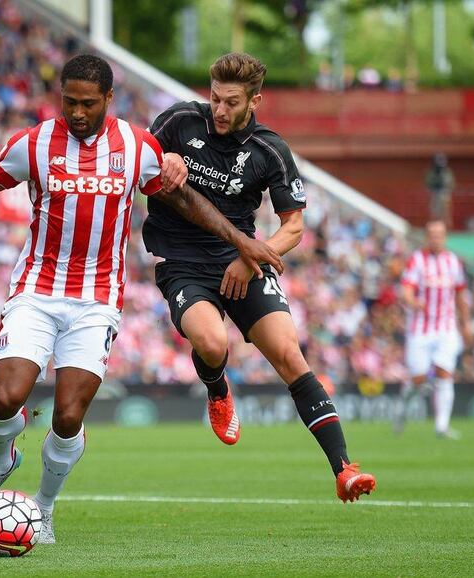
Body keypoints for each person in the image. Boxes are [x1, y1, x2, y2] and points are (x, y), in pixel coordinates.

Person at [0, 54, 283, 543]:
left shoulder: (135, 147)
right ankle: (2, 459)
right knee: (6, 399)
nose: (77, 113)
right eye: (69, 102)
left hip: (97, 299)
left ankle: (43, 508)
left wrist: (240, 241)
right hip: (37, 290)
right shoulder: (33, 144)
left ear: (108, 99)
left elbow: (186, 200)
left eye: (87, 103)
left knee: (67, 416)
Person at [143, 52, 376, 502]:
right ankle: (217, 389)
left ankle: (343, 468)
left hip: (242, 262)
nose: (220, 110)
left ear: (255, 101)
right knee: (212, 345)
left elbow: (294, 226)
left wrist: (250, 259)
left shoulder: (270, 149)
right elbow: (139, 162)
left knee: (290, 354)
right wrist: (165, 158)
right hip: (182, 263)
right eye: (214, 98)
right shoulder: (178, 121)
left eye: (231, 102)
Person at [393, 220, 470, 438]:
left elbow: (461, 295)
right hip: (421, 329)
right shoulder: (417, 260)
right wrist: (413, 302)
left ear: (445, 237)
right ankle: (401, 410)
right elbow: (406, 289)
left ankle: (441, 426)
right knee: (418, 379)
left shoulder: (453, 262)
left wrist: (466, 324)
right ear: (427, 237)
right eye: (432, 235)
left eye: (440, 235)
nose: (436, 238)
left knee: (444, 373)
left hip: (446, 328)